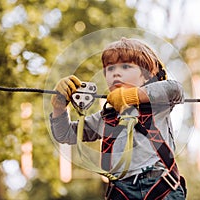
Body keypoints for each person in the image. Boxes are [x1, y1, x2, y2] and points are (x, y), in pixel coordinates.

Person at [50, 37, 187, 199]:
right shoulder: (107, 117)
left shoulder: (158, 105)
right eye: (110, 68)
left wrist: (133, 95)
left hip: (161, 186)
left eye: (126, 66)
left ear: (147, 75)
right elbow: (65, 134)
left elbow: (176, 90)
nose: (116, 72)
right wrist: (59, 108)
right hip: (122, 191)